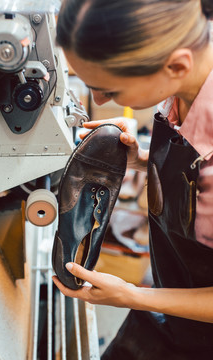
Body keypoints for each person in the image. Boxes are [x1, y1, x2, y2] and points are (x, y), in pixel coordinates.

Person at [52, 1, 213, 359]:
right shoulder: (182, 86)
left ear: (176, 65)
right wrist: (141, 158)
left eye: (111, 91)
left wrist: (131, 295)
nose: (97, 99)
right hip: (172, 306)